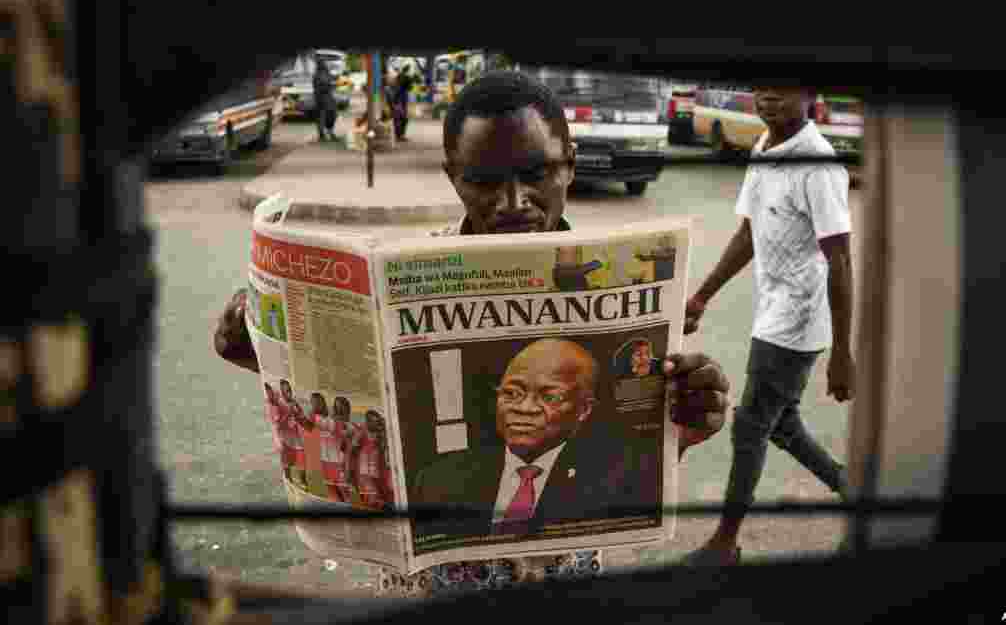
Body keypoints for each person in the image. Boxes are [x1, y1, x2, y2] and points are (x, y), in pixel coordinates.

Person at [214, 70, 731, 597]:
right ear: (452, 176)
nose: (512, 201)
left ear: (570, 165)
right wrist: (260, 349)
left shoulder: (615, 283)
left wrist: (684, 424)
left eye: (537, 174)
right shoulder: (398, 280)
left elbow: (622, 454)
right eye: (483, 180)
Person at [681, 85, 855, 567]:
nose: (769, 97)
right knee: (782, 426)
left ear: (810, 96)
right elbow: (749, 233)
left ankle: (724, 544)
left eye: (784, 88)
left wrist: (843, 353)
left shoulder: (817, 165)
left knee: (751, 427)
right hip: (772, 309)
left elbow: (840, 260)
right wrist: (701, 296)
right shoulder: (764, 148)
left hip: (798, 318)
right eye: (762, 88)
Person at [412, 338, 659, 539]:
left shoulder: (618, 479)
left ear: (584, 410)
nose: (524, 408)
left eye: (549, 397)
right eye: (511, 393)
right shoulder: (438, 480)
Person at [313, 56, 338, 142]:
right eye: (323, 62)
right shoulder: (319, 74)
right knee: (323, 116)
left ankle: (328, 133)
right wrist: (331, 85)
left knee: (331, 115)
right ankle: (322, 134)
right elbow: (323, 85)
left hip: (327, 97)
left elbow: (329, 82)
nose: (325, 64)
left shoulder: (324, 73)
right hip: (322, 98)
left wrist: (332, 83)